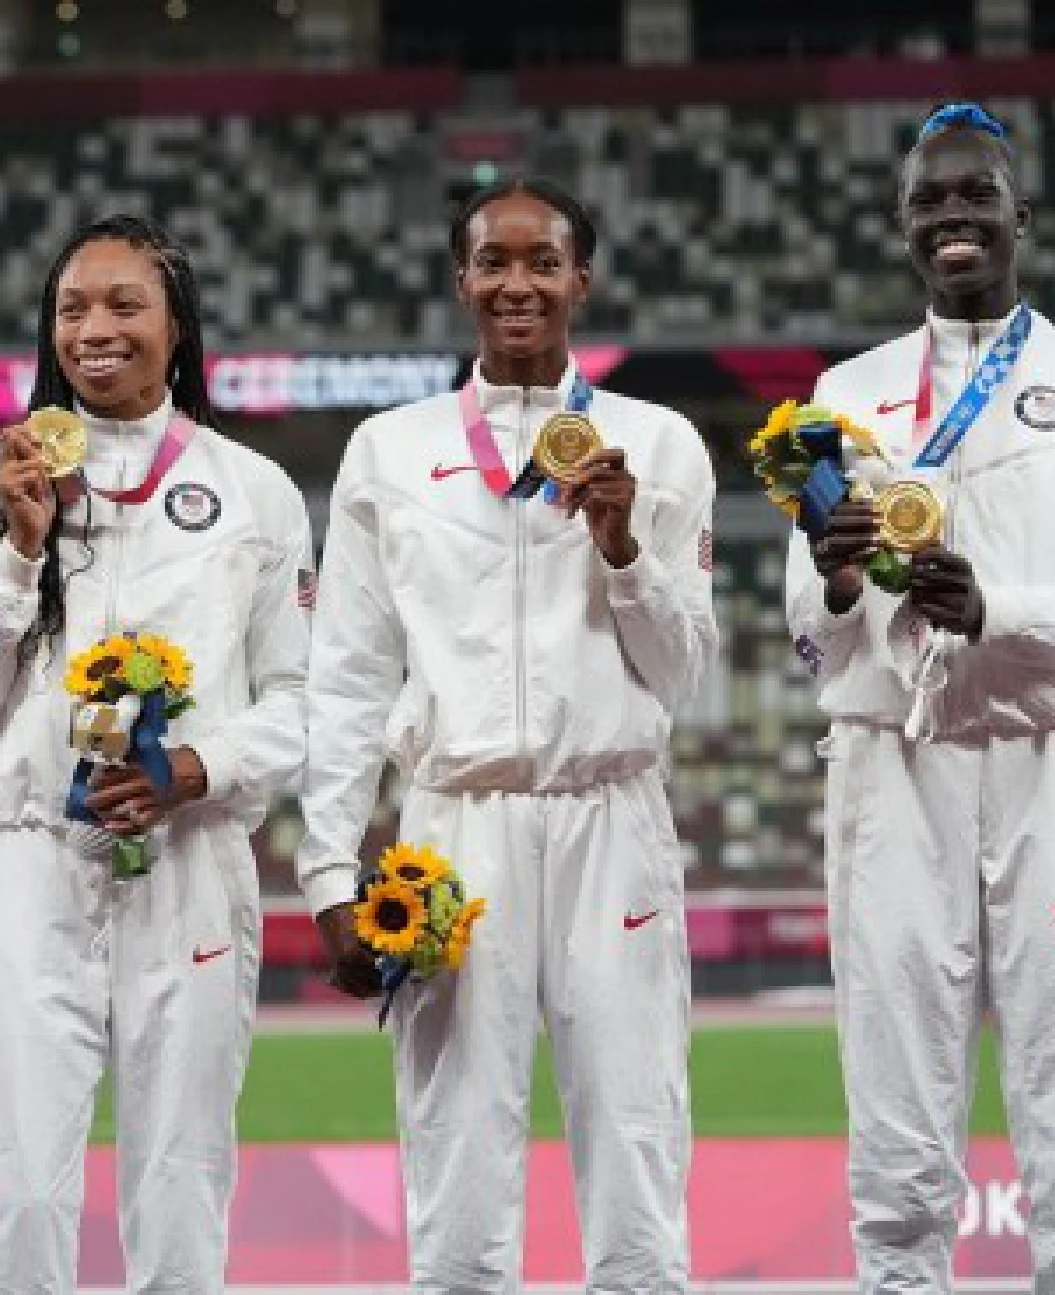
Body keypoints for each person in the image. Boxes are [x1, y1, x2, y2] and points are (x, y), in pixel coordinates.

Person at [786, 103, 1055, 1293]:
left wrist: (996, 611)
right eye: (927, 201)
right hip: (887, 769)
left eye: (973, 196)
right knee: (895, 1085)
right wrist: (836, 577)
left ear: (1021, 217)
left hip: (1045, 766)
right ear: (901, 225)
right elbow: (809, 643)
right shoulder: (838, 394)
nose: (950, 216)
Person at [299, 178, 717, 1293]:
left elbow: (685, 671)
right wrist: (328, 871)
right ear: (460, 280)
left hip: (611, 815)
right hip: (452, 827)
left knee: (633, 1130)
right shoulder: (388, 448)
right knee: (454, 1144)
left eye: (543, 262)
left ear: (581, 279)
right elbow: (342, 674)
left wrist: (625, 549)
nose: (516, 283)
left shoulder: (658, 444)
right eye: (493, 261)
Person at [0, 214, 312, 1293]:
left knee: (181, 1178)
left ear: (176, 326)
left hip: (188, 864)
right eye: (72, 308)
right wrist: (19, 545)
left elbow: (297, 697)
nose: (95, 328)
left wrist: (197, 769)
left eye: (124, 304)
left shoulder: (254, 491)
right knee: (23, 1181)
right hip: (32, 859)